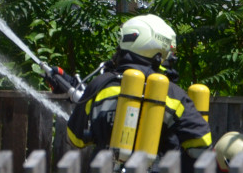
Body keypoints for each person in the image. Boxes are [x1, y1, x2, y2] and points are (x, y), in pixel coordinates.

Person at [67, 14, 213, 173]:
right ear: (158, 51)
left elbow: (75, 139)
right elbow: (202, 142)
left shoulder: (100, 85)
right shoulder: (172, 94)